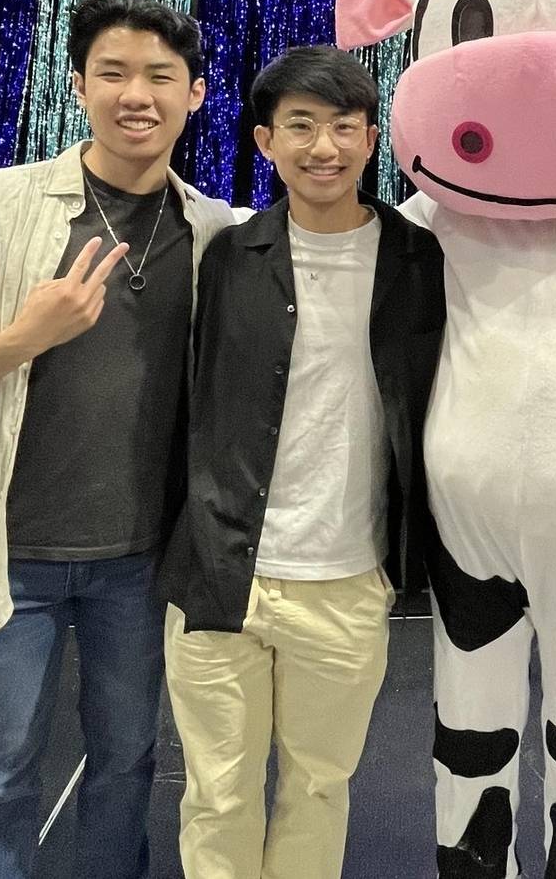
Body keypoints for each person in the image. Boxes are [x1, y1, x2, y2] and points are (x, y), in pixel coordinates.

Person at [0, 0, 237, 878]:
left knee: (127, 765)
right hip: (6, 559)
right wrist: (25, 337)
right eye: (113, 73)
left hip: (143, 565)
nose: (136, 94)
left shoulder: (217, 232)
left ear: (196, 93)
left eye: (160, 76)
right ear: (77, 85)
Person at [155, 44, 445, 879]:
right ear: (265, 141)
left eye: (345, 127)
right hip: (223, 574)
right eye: (302, 126)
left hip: (348, 580)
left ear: (372, 139)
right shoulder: (224, 256)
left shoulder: (419, 260)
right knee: (218, 794)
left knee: (319, 787)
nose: (325, 147)